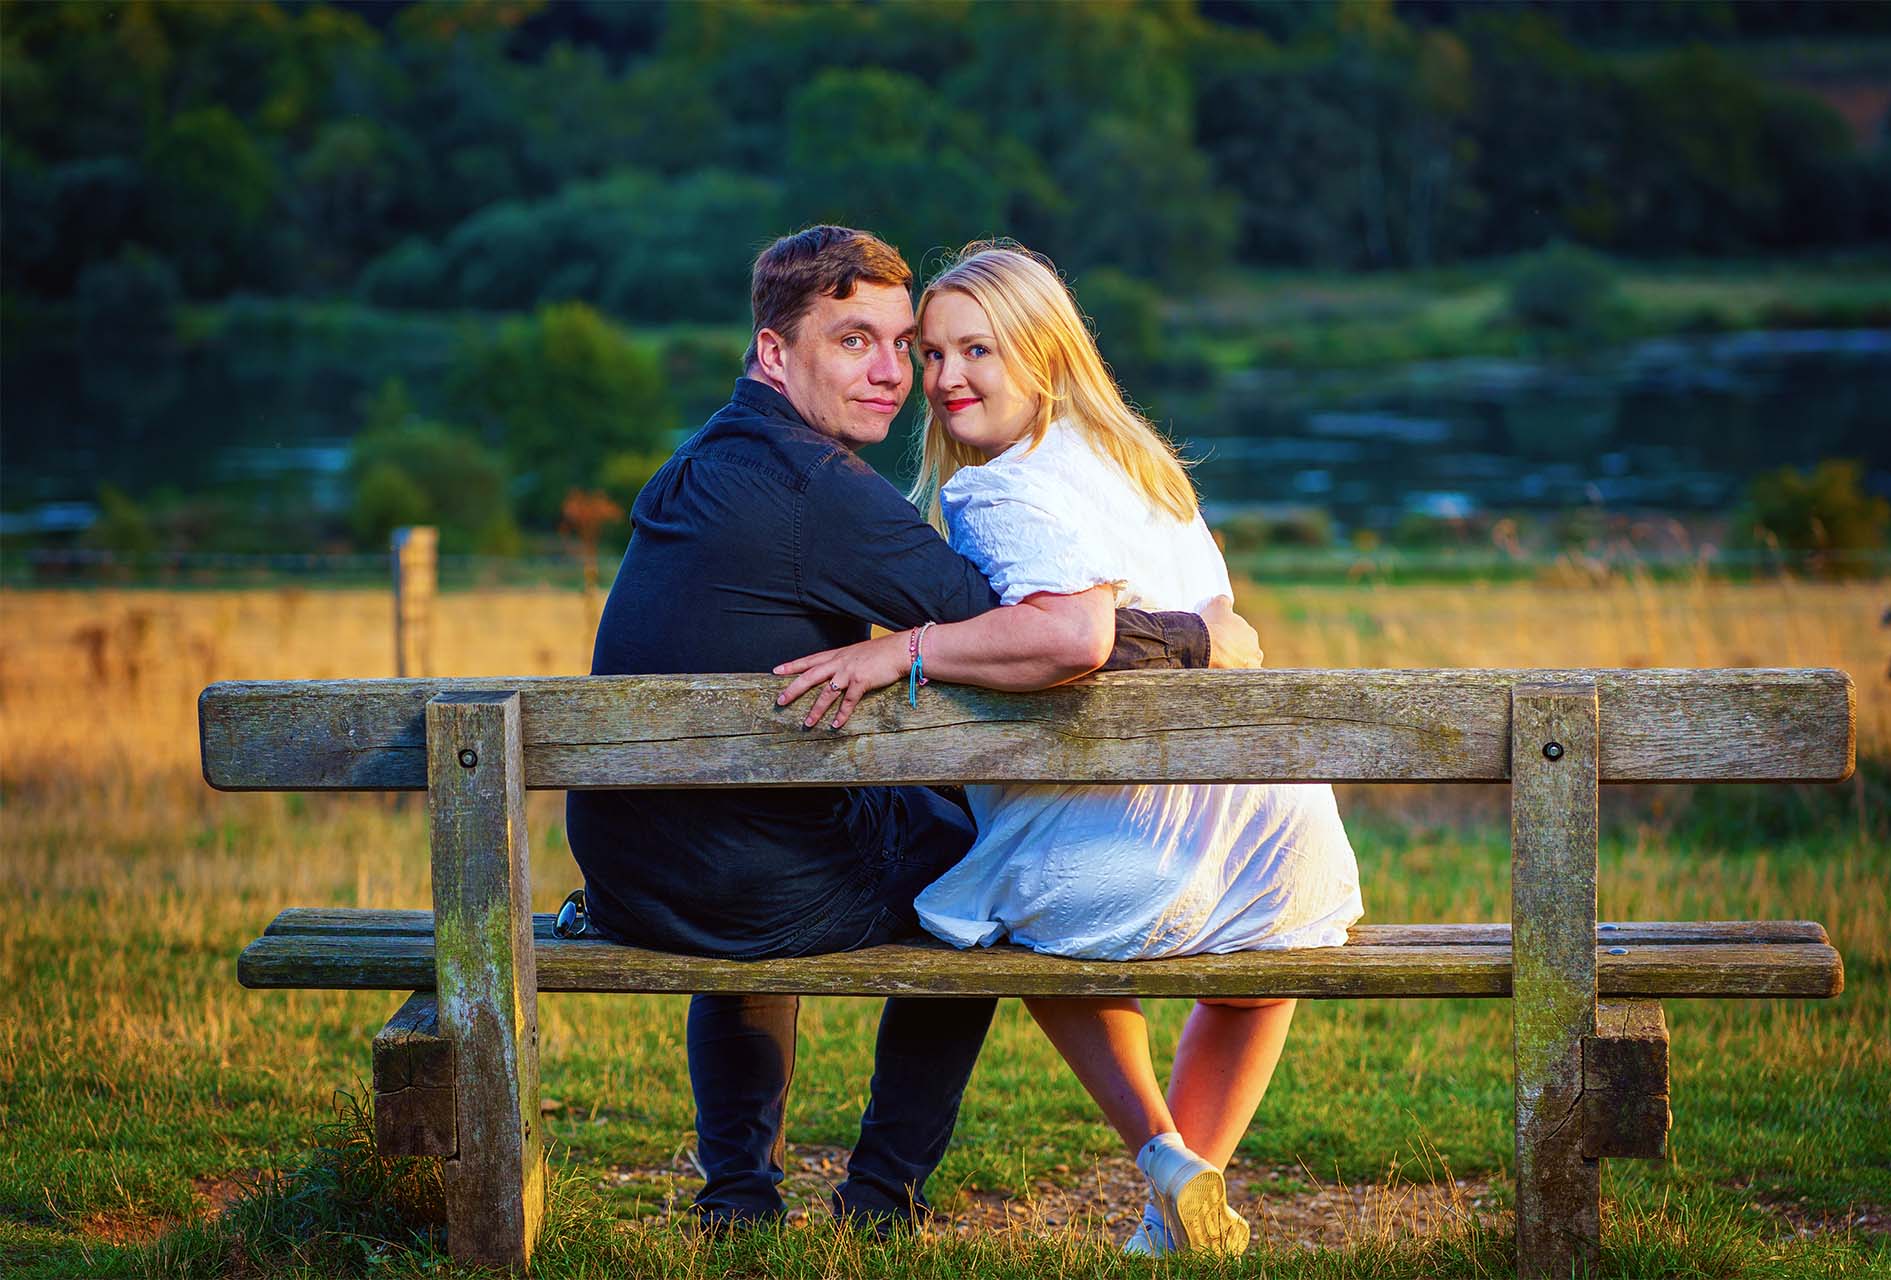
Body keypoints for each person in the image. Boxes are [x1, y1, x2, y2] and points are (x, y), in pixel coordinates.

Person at [565, 225, 1264, 1234]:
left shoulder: (704, 461)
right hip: (745, 889)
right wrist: (1196, 636)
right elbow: (1028, 629)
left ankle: (739, 1202)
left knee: (829, 821)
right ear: (774, 352)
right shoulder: (819, 489)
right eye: (855, 341)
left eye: (904, 345)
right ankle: (881, 1198)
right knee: (980, 880)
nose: (896, 374)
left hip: (632, 874)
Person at [771, 242, 1364, 1255]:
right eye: (933, 353)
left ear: (1044, 352)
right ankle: (1175, 1216)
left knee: (995, 912)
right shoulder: (1143, 465)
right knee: (1257, 980)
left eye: (978, 351)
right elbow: (1220, 624)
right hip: (1282, 836)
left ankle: (1164, 1158)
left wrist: (906, 649)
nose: (945, 378)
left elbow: (1072, 637)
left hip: (1138, 844)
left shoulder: (997, 491)